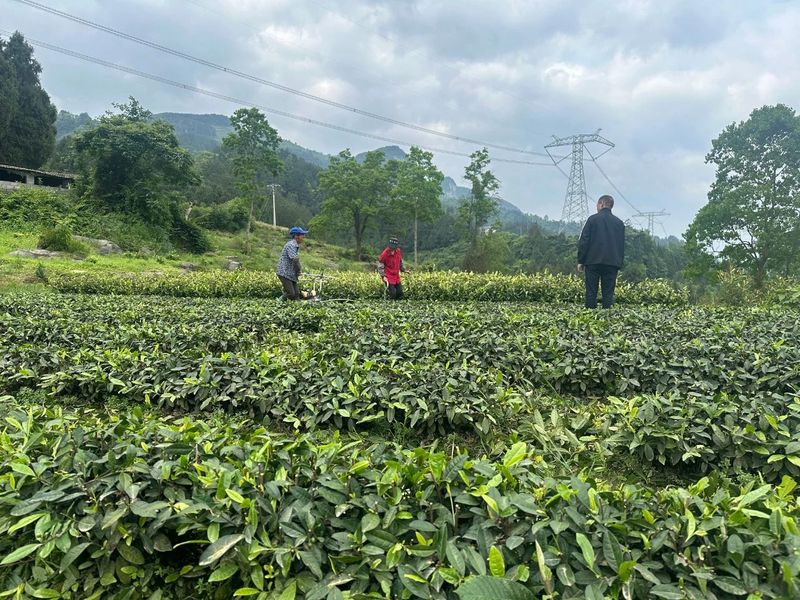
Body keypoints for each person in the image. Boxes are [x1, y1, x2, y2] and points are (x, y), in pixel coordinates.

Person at [577, 194, 625, 309]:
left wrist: (581, 260)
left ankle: (589, 318)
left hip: (592, 261)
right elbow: (621, 245)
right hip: (612, 263)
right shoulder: (619, 223)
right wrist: (619, 263)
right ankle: (607, 320)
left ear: (601, 204)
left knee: (591, 292)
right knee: (608, 294)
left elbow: (584, 241)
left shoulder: (592, 220)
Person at [276, 226, 308, 300]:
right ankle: (277, 302)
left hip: (290, 273)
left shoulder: (294, 245)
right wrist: (299, 270)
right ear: (296, 236)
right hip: (284, 272)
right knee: (291, 293)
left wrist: (297, 271)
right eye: (302, 235)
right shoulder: (291, 245)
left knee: (296, 294)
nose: (304, 237)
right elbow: (295, 260)